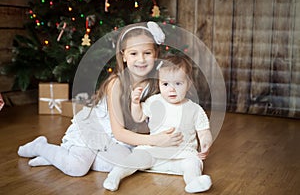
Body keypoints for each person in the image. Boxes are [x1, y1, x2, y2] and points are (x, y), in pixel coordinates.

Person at [17, 21, 183, 177]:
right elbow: (118, 132)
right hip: (96, 131)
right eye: (134, 53)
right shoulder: (116, 83)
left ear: (156, 55)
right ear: (124, 56)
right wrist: (155, 140)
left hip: (118, 141)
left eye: (147, 53)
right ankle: (41, 147)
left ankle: (61, 158)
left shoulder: (157, 83)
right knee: (77, 168)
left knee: (129, 164)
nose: (141, 59)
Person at [103, 55, 213, 193]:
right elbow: (138, 117)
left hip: (182, 154)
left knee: (193, 163)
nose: (171, 89)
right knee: (135, 157)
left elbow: (204, 131)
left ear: (188, 84)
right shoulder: (154, 101)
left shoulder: (194, 109)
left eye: (178, 84)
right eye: (165, 84)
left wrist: (205, 143)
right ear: (159, 83)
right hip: (154, 152)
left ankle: (193, 181)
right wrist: (135, 103)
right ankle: (115, 176)